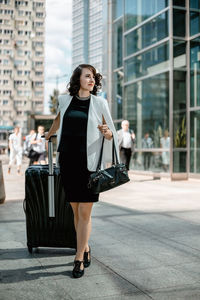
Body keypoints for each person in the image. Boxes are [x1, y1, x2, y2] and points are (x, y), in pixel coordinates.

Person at [45, 64, 119, 278]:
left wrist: (107, 133)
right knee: (75, 211)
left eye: (94, 77)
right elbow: (58, 119)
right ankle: (85, 247)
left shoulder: (99, 103)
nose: (92, 79)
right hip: (68, 162)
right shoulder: (65, 100)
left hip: (89, 164)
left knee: (85, 212)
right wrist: (48, 135)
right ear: (78, 79)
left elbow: (111, 132)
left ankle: (78, 258)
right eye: (87, 76)